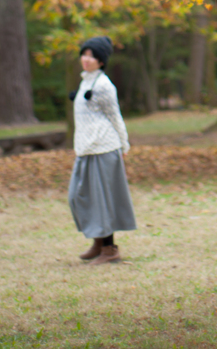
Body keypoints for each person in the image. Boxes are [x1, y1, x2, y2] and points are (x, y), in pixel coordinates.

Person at [67, 36, 136, 264]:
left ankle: (109, 249)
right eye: (85, 54)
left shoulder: (104, 85)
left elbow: (115, 116)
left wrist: (124, 144)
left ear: (101, 61)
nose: (86, 59)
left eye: (92, 56)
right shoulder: (85, 81)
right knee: (77, 196)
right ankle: (98, 241)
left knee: (102, 199)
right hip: (86, 148)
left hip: (103, 148)